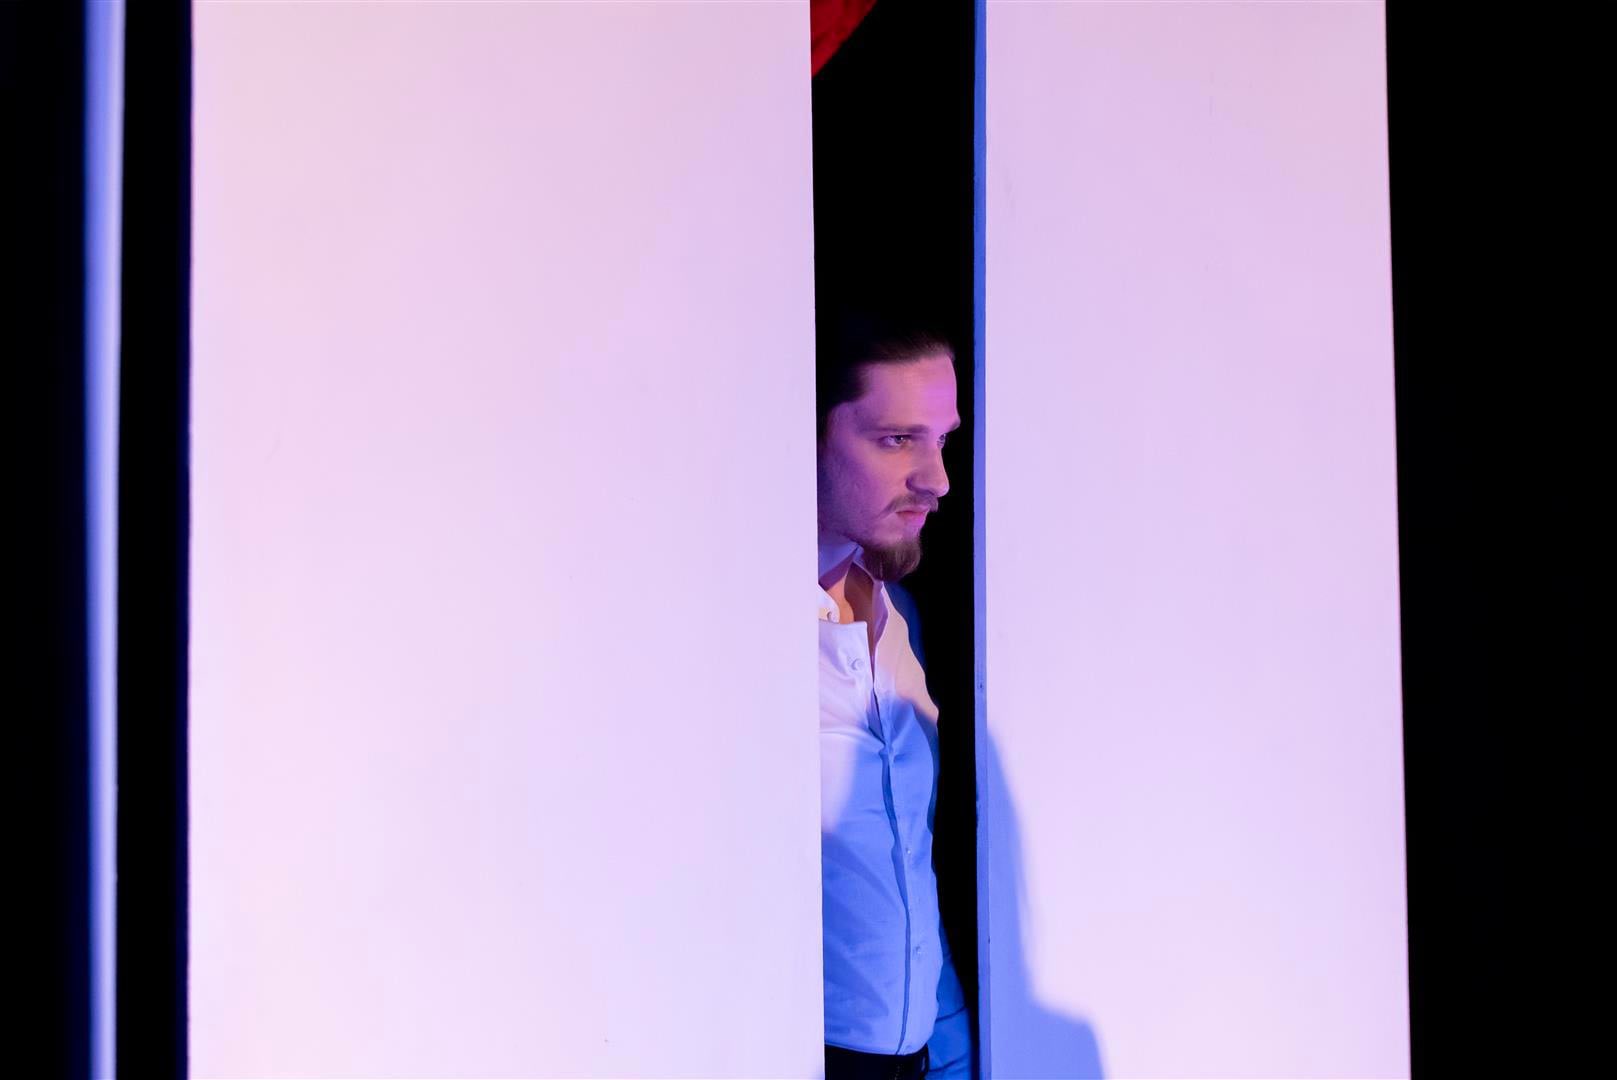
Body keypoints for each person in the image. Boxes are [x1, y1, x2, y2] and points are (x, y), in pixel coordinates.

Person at [816, 312, 973, 1080]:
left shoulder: (896, 616)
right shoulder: (735, 641)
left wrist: (950, 1051)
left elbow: (906, 861)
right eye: (896, 439)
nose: (936, 480)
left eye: (940, 439)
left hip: (910, 1055)